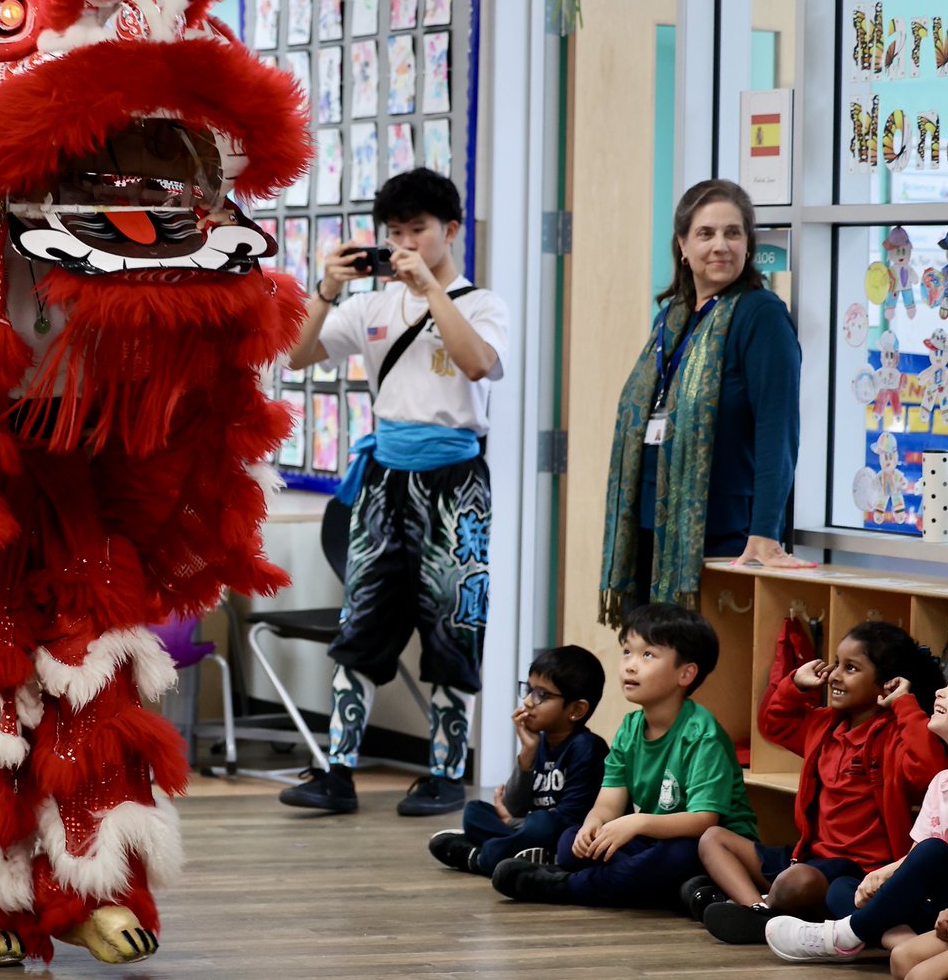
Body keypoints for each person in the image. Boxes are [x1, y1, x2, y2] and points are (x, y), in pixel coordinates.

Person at [278, 168, 509, 816]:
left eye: (419, 231)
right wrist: (325, 287)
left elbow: (475, 363)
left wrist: (431, 287)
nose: (405, 243)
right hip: (384, 477)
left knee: (454, 622)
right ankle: (337, 768)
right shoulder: (370, 306)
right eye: (395, 233)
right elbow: (294, 356)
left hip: (455, 482)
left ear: (451, 231)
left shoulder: (484, 304)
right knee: (362, 618)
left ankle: (443, 773)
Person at [598, 179, 811, 621]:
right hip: (650, 533)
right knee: (650, 668)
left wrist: (766, 533)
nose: (721, 246)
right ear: (682, 245)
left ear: (749, 244)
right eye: (706, 233)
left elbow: (778, 430)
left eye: (734, 233)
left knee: (697, 671)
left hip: (721, 537)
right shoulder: (671, 318)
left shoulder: (761, 315)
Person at [691, 621, 948, 945]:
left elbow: (928, 772)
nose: (835, 675)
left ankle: (764, 911)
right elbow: (774, 725)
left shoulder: (893, 736)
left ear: (885, 684)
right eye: (836, 664)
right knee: (713, 838)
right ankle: (757, 909)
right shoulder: (824, 724)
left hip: (855, 873)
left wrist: (904, 703)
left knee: (797, 882)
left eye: (851, 668)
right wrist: (794, 685)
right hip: (807, 857)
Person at [490, 603, 757, 907]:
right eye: (627, 652)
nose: (630, 665)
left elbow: (703, 820)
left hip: (710, 845)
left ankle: (565, 887)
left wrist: (636, 823)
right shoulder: (630, 728)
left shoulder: (702, 734)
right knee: (570, 843)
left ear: (685, 673)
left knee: (679, 855)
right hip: (654, 839)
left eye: (648, 655)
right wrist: (595, 823)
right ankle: (667, 888)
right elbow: (608, 801)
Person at [763, 659, 948, 967]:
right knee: (845, 887)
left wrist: (887, 870)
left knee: (934, 851)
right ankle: (902, 943)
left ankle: (846, 935)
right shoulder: (943, 782)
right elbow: (914, 858)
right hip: (936, 912)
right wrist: (884, 875)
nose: (940, 691)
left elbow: (941, 856)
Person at [427, 645, 609, 876]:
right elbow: (514, 807)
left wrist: (516, 823)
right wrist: (527, 753)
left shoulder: (586, 746)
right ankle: (522, 854)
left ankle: (483, 856)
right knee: (474, 811)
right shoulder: (539, 742)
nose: (528, 702)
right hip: (530, 828)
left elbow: (568, 819)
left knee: (540, 824)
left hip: (568, 836)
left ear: (576, 709)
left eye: (542, 695)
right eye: (529, 690)